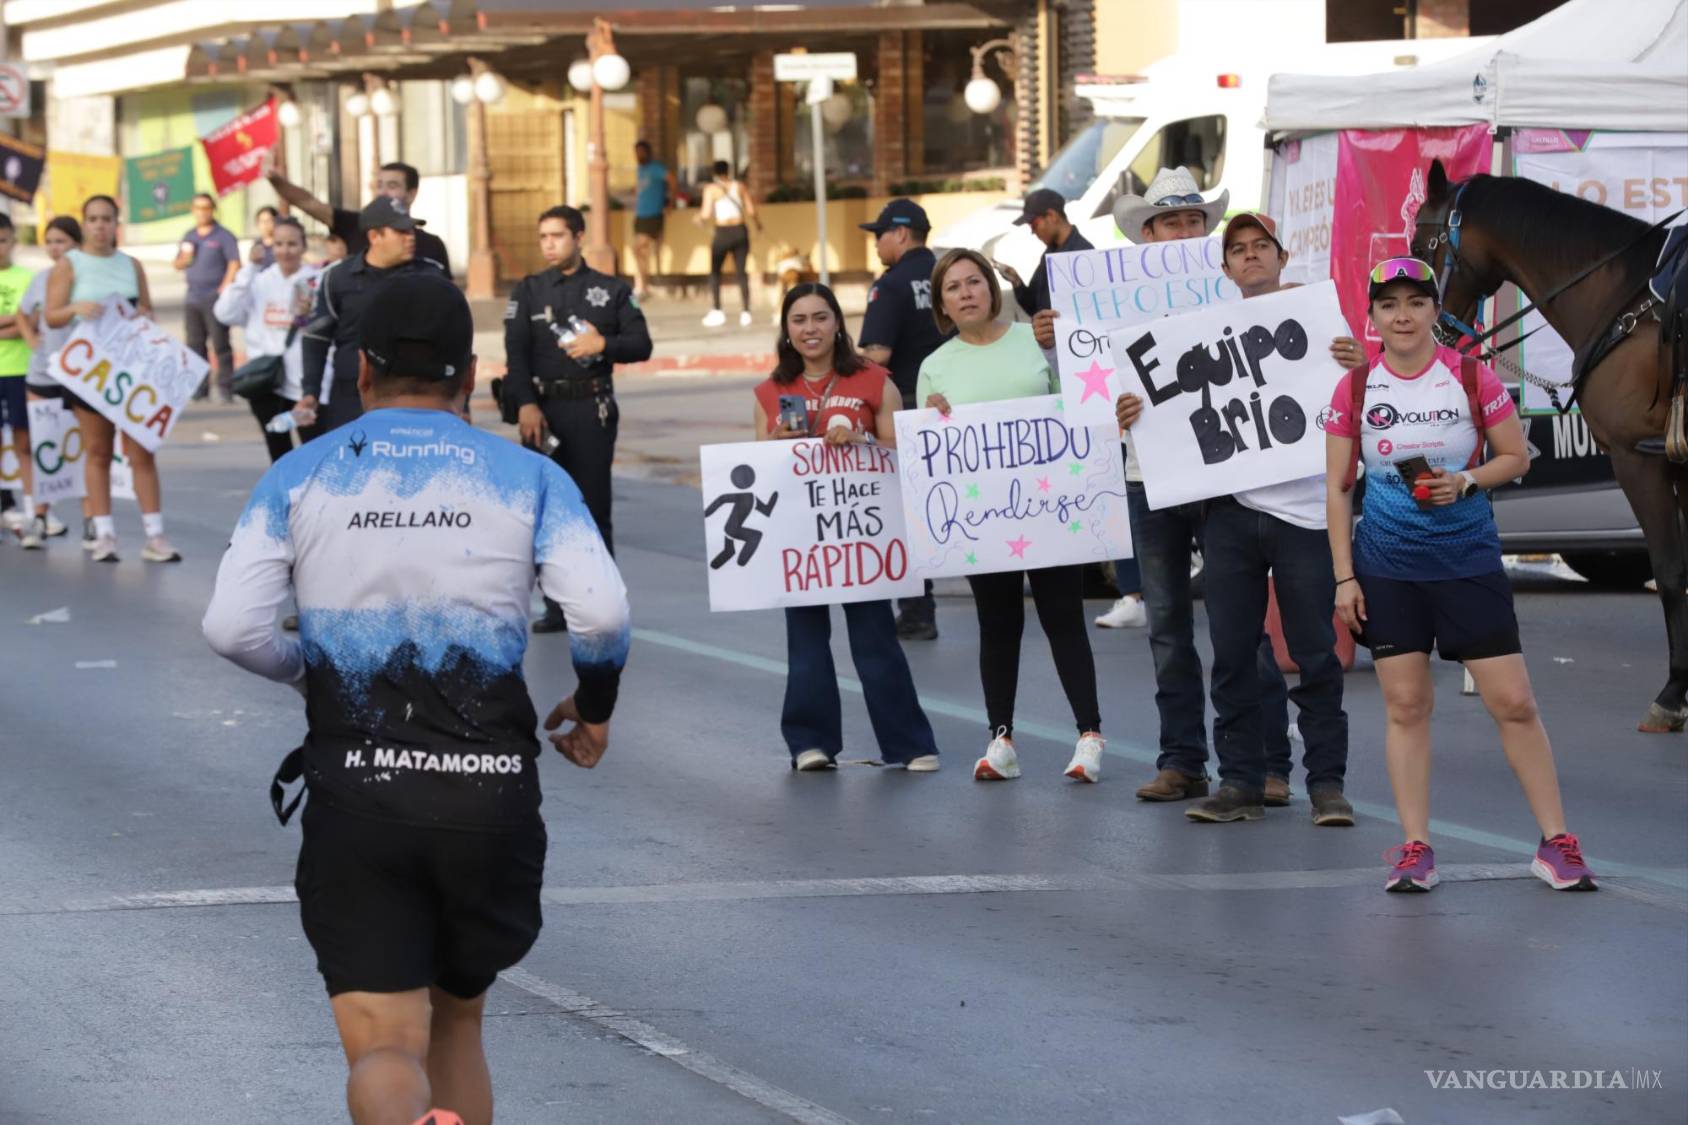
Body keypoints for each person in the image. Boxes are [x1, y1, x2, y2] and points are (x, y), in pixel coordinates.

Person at [204, 273, 631, 1125]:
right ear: (469, 375)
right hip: (489, 795)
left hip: (360, 793)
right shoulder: (526, 474)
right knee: (460, 1022)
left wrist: (311, 666)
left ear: (361, 372)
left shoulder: (300, 473)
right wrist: (593, 704)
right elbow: (603, 613)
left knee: (386, 1042)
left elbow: (233, 627)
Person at [1324, 257, 1596, 893]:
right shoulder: (1356, 389)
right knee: (1407, 705)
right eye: (1389, 304)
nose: (1403, 315)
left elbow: (1515, 457)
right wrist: (1344, 578)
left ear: (1433, 312)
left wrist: (1466, 480)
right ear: (1373, 317)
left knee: (1515, 703)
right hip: (1387, 569)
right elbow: (1338, 491)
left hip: (1467, 561)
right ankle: (1416, 848)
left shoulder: (1470, 374)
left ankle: (1556, 841)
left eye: (1416, 302)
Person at [1116, 212, 1360, 825]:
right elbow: (1162, 403)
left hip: (1304, 515)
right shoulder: (1202, 336)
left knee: (1314, 652)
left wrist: (1359, 364)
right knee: (1230, 653)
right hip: (1229, 514)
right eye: (1239, 250)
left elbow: (1363, 396)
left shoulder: (1318, 320)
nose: (1250, 256)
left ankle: (1327, 784)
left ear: (1281, 257)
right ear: (1224, 269)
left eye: (1261, 247)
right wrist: (1131, 410)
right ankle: (1240, 780)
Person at [918, 248, 1105, 783]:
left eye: (974, 281)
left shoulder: (1036, 342)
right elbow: (931, 459)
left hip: (1050, 511)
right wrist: (930, 418)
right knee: (997, 626)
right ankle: (1001, 739)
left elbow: (1079, 409)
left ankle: (1089, 735)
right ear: (942, 305)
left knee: (1063, 618)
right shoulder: (936, 366)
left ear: (992, 288)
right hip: (986, 523)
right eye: (953, 288)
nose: (966, 293)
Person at [751, 282, 940, 772]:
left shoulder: (876, 381)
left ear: (838, 324)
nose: (809, 328)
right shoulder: (771, 392)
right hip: (802, 542)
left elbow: (902, 457)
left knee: (875, 637)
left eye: (819, 317)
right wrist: (774, 441)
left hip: (862, 536)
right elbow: (758, 470)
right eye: (799, 320)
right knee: (806, 641)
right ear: (786, 331)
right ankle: (809, 744)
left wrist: (861, 440)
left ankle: (910, 744)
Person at [503, 205, 652, 633]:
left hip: (591, 408)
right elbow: (516, 354)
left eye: (558, 236)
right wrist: (525, 404)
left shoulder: (610, 290)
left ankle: (601, 603)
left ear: (579, 237)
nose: (549, 244)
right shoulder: (528, 291)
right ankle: (555, 604)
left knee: (591, 507)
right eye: (543, 237)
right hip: (542, 414)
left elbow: (641, 344)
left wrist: (603, 343)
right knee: (548, 510)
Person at [44, 195, 178, 564]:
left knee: (142, 452)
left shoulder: (131, 265)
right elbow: (52, 316)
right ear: (84, 224)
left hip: (132, 373)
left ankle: (155, 535)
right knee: (98, 451)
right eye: (92, 219)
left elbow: (147, 309)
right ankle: (103, 534)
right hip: (90, 373)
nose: (100, 226)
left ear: (116, 223)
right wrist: (75, 307)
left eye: (106, 219)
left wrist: (143, 317)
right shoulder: (70, 265)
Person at [856, 198, 950, 642]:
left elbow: (877, 355)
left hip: (908, 409)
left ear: (901, 234)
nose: (875, 243)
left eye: (879, 234)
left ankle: (916, 610)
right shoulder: (948, 275)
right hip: (955, 405)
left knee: (907, 511)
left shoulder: (889, 287)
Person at [301, 197, 431, 432]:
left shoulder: (429, 277)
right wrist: (311, 392)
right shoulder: (337, 278)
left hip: (412, 395)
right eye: (401, 231)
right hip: (352, 396)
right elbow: (316, 338)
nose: (411, 237)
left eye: (412, 230)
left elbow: (451, 338)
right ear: (374, 236)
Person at [215, 216, 320, 462]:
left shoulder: (315, 281)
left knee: (312, 452)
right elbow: (224, 312)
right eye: (280, 244)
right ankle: (285, 500)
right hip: (266, 382)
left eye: (292, 244)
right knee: (278, 453)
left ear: (303, 247)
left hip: (303, 385)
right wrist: (248, 269)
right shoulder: (259, 281)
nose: (285, 251)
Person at [12, 215, 82, 549]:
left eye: (62, 241)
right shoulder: (40, 279)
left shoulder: (88, 277)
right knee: (44, 445)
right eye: (50, 241)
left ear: (76, 244)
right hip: (42, 374)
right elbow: (25, 314)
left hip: (81, 377)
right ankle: (38, 516)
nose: (55, 248)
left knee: (82, 449)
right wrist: (31, 339)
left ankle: (94, 520)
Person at [267, 159, 452, 275]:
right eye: (379, 185)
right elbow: (308, 203)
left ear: (411, 194)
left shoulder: (432, 246)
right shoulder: (356, 225)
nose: (383, 192)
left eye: (392, 186)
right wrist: (274, 179)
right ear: (373, 236)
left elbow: (448, 301)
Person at [175, 193, 241, 402]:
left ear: (212, 209)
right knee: (195, 345)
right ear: (193, 211)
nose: (202, 212)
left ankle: (226, 387)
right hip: (193, 297)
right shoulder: (190, 236)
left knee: (220, 344)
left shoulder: (223, 236)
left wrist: (223, 289)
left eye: (206, 207)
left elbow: (234, 263)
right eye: (198, 208)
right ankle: (200, 388)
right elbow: (177, 264)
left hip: (214, 296)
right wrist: (184, 259)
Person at [998, 187, 1094, 319]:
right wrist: (1017, 282)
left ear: (1051, 216)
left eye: (1034, 224)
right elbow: (1035, 307)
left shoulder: (1083, 254)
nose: (1033, 232)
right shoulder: (1049, 254)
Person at [0, 214, 35, 542]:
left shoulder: (27, 277)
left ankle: (32, 507)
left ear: (12, 241)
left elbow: (30, 322)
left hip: (20, 370)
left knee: (24, 441)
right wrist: (16, 321)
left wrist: (17, 323)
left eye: (3, 240)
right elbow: (20, 321)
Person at [696, 160, 759, 328]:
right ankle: (746, 312)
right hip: (740, 230)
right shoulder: (739, 186)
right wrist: (758, 225)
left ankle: (717, 310)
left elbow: (706, 213)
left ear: (714, 172)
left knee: (715, 272)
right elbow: (751, 210)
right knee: (741, 272)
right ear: (728, 171)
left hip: (722, 232)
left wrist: (698, 219)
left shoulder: (711, 189)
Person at [631, 140, 675, 302]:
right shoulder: (639, 170)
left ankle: (642, 286)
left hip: (653, 214)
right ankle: (641, 285)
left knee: (639, 248)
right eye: (637, 152)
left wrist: (671, 201)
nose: (639, 155)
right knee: (640, 252)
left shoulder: (656, 168)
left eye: (641, 152)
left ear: (648, 153)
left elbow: (672, 180)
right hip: (641, 214)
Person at [251, 205, 279, 270]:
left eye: (269, 220)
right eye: (262, 221)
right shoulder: (256, 245)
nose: (265, 224)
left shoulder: (283, 243)